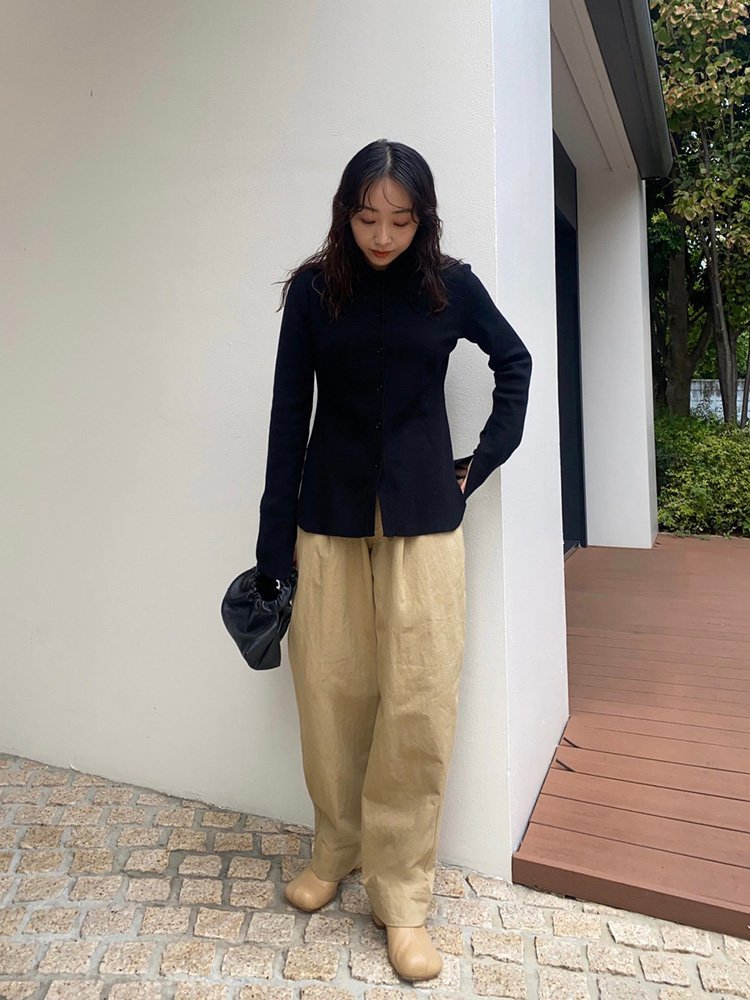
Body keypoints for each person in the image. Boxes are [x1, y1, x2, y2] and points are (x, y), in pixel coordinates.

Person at [254, 139, 533, 982]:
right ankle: (335, 847)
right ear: (345, 212)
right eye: (368, 218)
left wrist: (479, 463)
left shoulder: (449, 285)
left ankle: (403, 895)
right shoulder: (313, 291)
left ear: (424, 219)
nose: (382, 236)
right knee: (328, 691)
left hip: (424, 521)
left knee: (417, 703)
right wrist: (272, 544)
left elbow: (515, 362)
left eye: (401, 221)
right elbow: (287, 416)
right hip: (326, 518)